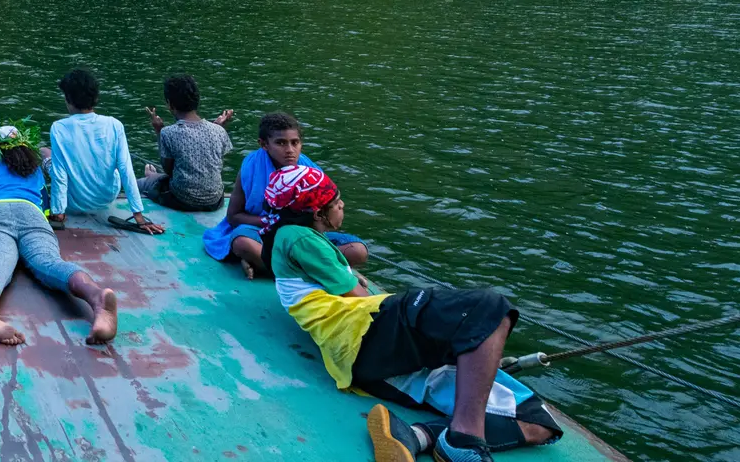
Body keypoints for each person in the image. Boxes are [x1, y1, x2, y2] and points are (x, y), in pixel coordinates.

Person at [260, 165, 560, 462]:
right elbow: (359, 297)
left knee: (540, 423)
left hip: (373, 360)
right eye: (338, 203)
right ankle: (463, 441)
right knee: (487, 307)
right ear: (317, 212)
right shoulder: (299, 237)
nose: (343, 207)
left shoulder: (292, 237)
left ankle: (418, 436)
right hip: (364, 333)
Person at [0, 123, 120, 347]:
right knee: (50, 262)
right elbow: (44, 202)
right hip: (32, 213)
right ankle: (96, 296)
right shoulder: (33, 166)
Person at [201, 111, 368, 278]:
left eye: (295, 143)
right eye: (280, 143)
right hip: (261, 233)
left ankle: (270, 267)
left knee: (358, 251)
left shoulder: (312, 172)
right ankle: (319, 271)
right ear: (264, 144)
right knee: (242, 242)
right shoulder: (250, 167)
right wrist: (272, 222)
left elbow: (323, 219)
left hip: (304, 236)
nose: (290, 150)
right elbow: (234, 216)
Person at [47, 68, 163, 234]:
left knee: (46, 154)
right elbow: (126, 171)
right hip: (107, 197)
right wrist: (138, 216)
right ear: (95, 98)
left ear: (68, 99)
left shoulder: (58, 128)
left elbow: (59, 176)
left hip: (75, 202)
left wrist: (58, 213)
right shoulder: (114, 125)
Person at [140, 73, 234, 211]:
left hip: (183, 199)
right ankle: (153, 176)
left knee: (140, 184)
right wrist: (217, 127)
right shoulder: (219, 131)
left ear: (170, 104)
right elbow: (213, 163)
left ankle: (151, 177)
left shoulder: (168, 132)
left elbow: (168, 170)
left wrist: (159, 130)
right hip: (215, 201)